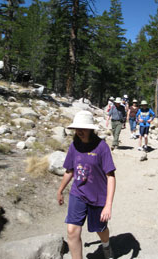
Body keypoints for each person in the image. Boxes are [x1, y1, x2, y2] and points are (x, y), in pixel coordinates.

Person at [57, 110, 116, 259]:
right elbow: (69, 171)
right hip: (78, 193)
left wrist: (108, 205)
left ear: (90, 129)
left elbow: (110, 176)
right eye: (77, 128)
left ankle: (106, 245)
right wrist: (60, 190)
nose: (79, 132)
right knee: (72, 231)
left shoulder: (102, 147)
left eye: (82, 129)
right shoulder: (74, 145)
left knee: (100, 229)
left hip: (97, 196)